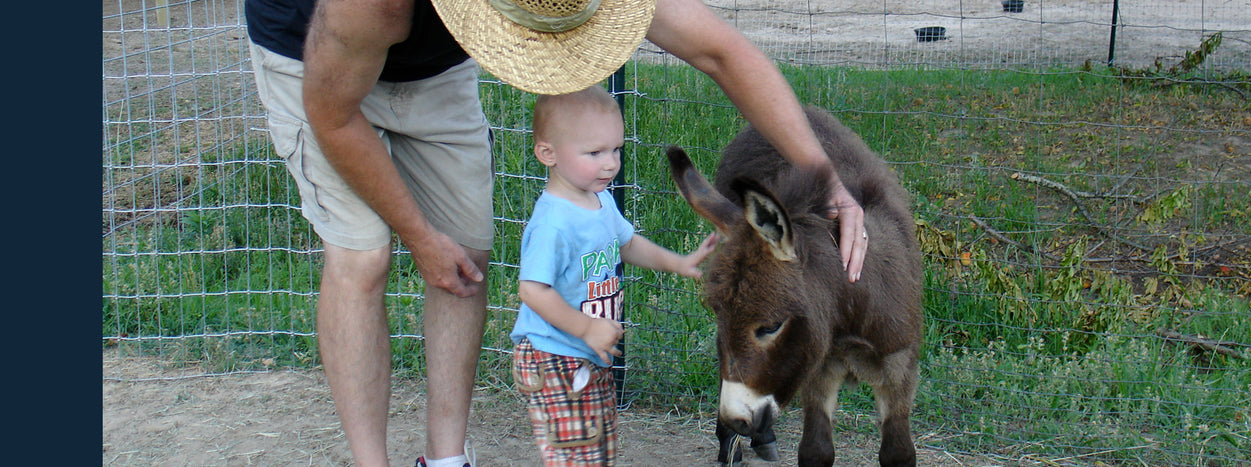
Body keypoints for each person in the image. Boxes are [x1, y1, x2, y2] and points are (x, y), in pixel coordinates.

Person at [244, 0, 869, 466]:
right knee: (364, 259)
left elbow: (721, 51)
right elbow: (332, 115)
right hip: (316, 61)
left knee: (464, 257)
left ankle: (445, 458)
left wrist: (829, 180)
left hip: (433, 64)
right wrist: (417, 235)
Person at [511, 85, 718, 465]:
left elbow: (626, 243)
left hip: (589, 354)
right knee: (576, 455)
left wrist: (679, 262)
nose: (610, 164)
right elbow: (532, 290)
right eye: (594, 153)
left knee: (598, 447)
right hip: (554, 356)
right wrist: (586, 328)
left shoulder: (599, 200)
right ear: (547, 153)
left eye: (615, 149)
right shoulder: (553, 223)